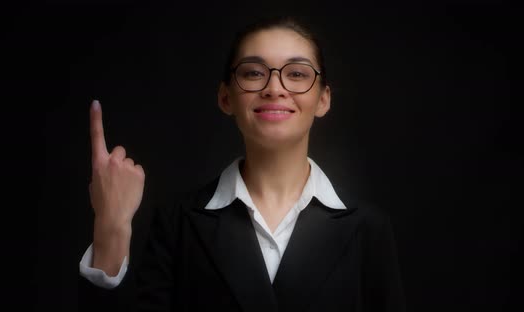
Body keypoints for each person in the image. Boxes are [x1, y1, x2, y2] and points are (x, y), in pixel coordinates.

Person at [79, 16, 405, 312]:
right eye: (253, 72)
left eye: (297, 74)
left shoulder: (369, 230)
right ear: (226, 98)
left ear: (323, 99)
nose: (275, 88)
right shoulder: (177, 225)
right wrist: (111, 226)